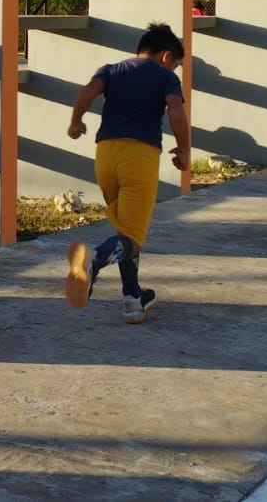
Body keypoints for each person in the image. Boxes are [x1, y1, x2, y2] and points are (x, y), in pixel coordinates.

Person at [63, 22, 189, 324]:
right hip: (140, 156)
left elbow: (86, 92)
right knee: (132, 237)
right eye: (176, 64)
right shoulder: (165, 77)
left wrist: (75, 122)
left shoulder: (111, 69)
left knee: (126, 229)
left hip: (105, 154)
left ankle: (133, 299)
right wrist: (184, 149)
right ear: (166, 55)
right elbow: (175, 110)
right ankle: (93, 259)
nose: (176, 69)